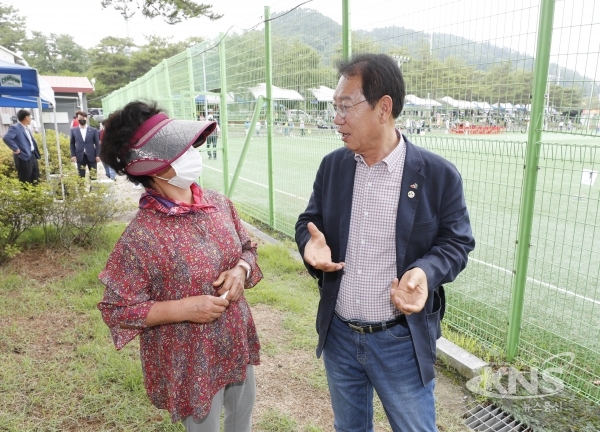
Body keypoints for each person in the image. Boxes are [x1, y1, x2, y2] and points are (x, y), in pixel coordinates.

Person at [295, 53, 475, 432]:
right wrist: (309, 246)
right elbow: (309, 222)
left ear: (384, 108)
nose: (337, 118)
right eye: (335, 107)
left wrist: (426, 272)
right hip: (340, 336)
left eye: (346, 106)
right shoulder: (334, 166)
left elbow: (456, 243)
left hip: (400, 341)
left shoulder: (437, 175)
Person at [97, 100, 262, 431]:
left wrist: (241, 270)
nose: (192, 152)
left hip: (234, 341)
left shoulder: (217, 203)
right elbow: (116, 310)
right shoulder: (141, 237)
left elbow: (248, 247)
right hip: (190, 359)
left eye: (190, 145)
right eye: (181, 148)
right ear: (153, 167)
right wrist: (184, 308)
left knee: (242, 415)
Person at [2, 109, 41, 183]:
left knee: (36, 178)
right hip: (23, 157)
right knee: (25, 179)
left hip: (32, 155)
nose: (31, 119)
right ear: (26, 117)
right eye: (30, 117)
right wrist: (16, 148)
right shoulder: (15, 127)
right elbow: (6, 138)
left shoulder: (26, 128)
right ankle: (26, 195)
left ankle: (35, 194)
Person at [70, 111, 100, 179]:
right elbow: (72, 144)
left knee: (93, 176)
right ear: (77, 119)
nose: (82, 120)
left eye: (83, 118)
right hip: (80, 156)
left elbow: (97, 144)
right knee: (80, 177)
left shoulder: (93, 130)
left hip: (92, 156)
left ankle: (93, 189)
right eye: (80, 118)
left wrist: (97, 155)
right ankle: (81, 190)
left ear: (86, 118)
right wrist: (73, 155)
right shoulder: (73, 130)